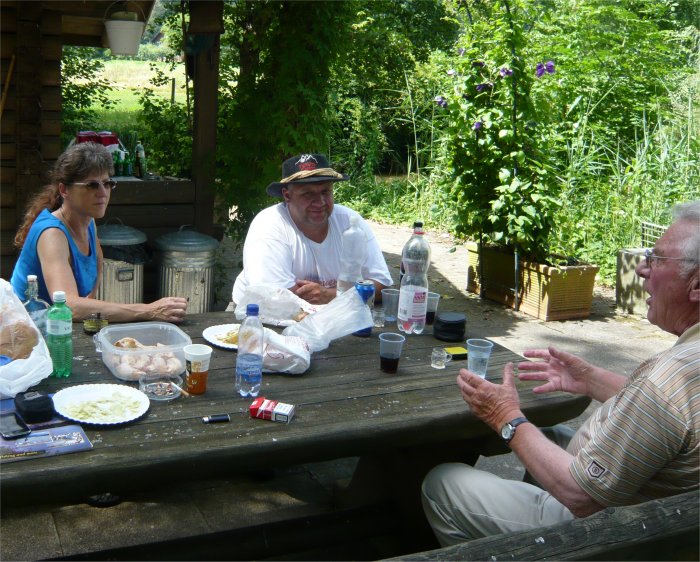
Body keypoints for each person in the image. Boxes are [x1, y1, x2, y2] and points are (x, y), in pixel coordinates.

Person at [421, 200, 700, 546]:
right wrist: (590, 379)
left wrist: (506, 417)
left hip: (610, 533)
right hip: (661, 516)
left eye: (656, 259)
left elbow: (581, 496)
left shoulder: (669, 379)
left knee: (442, 483)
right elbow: (672, 418)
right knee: (550, 436)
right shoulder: (684, 371)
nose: (642, 268)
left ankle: (528, 548)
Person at [10, 142, 187, 323]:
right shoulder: (52, 234)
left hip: (57, 327)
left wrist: (89, 308)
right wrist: (149, 310)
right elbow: (69, 307)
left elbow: (97, 266)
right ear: (64, 190)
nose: (103, 193)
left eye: (107, 183)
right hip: (24, 331)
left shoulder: (89, 221)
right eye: (92, 185)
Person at [231, 153, 393, 305]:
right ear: (287, 196)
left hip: (335, 313)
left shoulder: (350, 222)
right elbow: (276, 298)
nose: (320, 202)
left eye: (325, 192)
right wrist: (351, 292)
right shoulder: (269, 225)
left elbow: (382, 284)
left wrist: (330, 295)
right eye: (308, 194)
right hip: (256, 315)